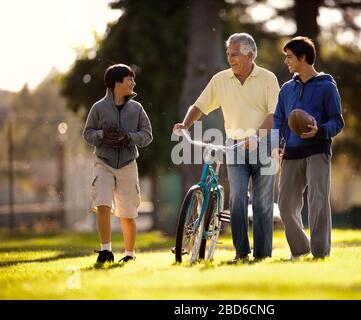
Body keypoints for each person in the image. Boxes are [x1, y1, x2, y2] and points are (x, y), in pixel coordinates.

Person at [173, 33, 280, 261]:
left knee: (262, 203)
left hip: (265, 143)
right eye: (228, 54)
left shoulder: (268, 78)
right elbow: (200, 105)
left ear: (250, 55)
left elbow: (274, 114)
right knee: (237, 197)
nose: (230, 59)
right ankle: (241, 252)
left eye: (235, 54)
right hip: (235, 145)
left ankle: (262, 256)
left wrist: (257, 136)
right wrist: (185, 124)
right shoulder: (220, 79)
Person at [273, 36, 344, 259]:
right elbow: (279, 120)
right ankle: (301, 249)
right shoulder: (286, 89)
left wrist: (320, 130)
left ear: (303, 58)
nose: (286, 61)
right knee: (285, 206)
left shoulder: (326, 86)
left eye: (289, 57)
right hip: (291, 153)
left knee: (318, 203)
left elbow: (337, 121)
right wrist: (277, 145)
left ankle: (320, 252)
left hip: (317, 151)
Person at [83, 64, 153, 264]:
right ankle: (106, 251)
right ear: (116, 83)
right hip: (103, 162)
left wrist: (129, 138)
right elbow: (87, 134)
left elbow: (147, 135)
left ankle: (129, 254)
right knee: (103, 204)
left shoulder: (137, 108)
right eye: (129, 79)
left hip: (128, 163)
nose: (133, 82)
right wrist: (102, 135)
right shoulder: (98, 108)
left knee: (128, 213)